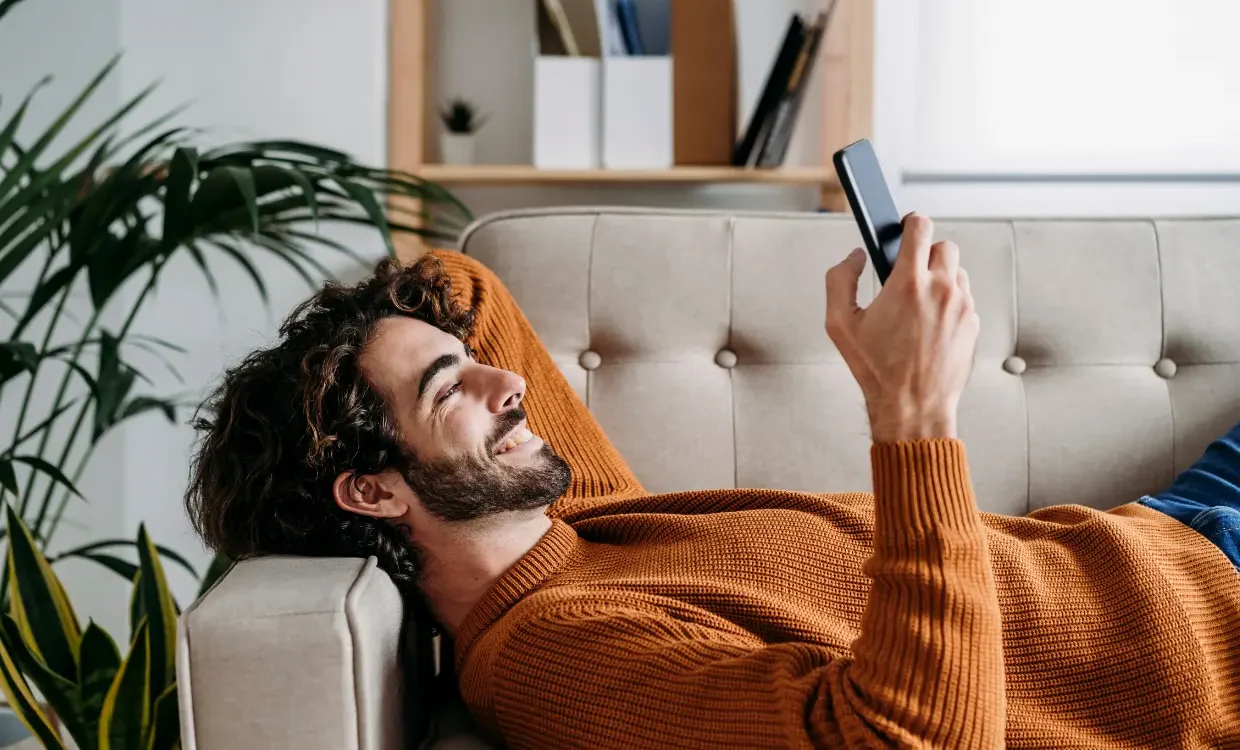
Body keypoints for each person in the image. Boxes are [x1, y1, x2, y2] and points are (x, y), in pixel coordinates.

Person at [185, 214, 1240, 749]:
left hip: (1164, 531)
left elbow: (465, 282)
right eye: (452, 386)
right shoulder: (556, 659)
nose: (511, 384)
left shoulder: (576, 521)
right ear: (371, 492)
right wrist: (913, 418)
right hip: (1213, 639)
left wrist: (364, 349)